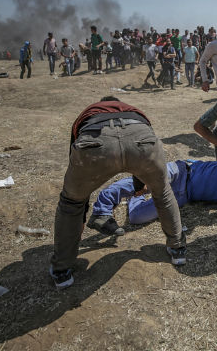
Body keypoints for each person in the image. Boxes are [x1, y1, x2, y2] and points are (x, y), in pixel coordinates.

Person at [49, 96, 186, 289]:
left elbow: (76, 163)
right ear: (118, 104)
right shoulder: (133, 110)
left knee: (70, 202)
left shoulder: (88, 112)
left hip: (95, 142)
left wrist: (79, 213)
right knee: (162, 193)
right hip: (141, 137)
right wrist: (140, 187)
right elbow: (141, 145)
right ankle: (178, 248)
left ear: (101, 104)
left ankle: (62, 270)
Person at [89, 154, 217, 231]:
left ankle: (137, 199)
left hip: (181, 196)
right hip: (182, 171)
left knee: (137, 217)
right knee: (148, 181)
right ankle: (103, 206)